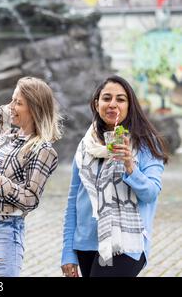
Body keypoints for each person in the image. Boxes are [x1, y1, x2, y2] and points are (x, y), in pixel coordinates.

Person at [61, 75, 169, 277]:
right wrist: (68, 251)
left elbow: (151, 194)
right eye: (106, 98)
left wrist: (130, 165)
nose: (112, 104)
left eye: (120, 99)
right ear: (97, 104)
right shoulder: (86, 145)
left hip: (126, 243)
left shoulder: (146, 144)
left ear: (130, 105)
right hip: (86, 243)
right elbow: (73, 200)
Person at [0, 76, 62, 277]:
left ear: (35, 108)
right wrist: (14, 105)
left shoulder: (42, 149)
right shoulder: (7, 137)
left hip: (4, 227)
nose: (11, 106)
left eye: (18, 102)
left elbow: (30, 199)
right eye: (12, 100)